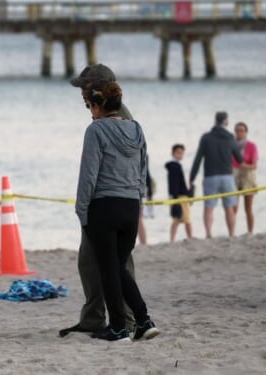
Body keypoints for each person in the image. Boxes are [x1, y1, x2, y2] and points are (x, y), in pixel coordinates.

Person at [75, 80, 159, 342]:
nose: (90, 111)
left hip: (104, 207)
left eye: (90, 105)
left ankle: (120, 327)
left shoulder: (95, 130)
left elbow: (88, 175)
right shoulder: (136, 128)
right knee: (117, 267)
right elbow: (143, 169)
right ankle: (142, 322)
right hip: (130, 206)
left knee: (109, 268)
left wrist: (81, 210)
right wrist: (138, 200)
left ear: (99, 106)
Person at [60, 64, 136, 338]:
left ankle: (126, 320)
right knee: (89, 262)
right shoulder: (102, 115)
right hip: (108, 202)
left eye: (84, 87)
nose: (80, 92)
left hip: (107, 204)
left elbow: (97, 169)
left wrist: (83, 207)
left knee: (119, 263)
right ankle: (93, 317)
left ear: (98, 89)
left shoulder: (115, 120)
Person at [189, 111, 243, 238]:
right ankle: (231, 234)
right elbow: (239, 159)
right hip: (227, 176)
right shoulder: (230, 137)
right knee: (229, 207)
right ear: (226, 122)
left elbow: (198, 159)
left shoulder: (206, 137)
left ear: (215, 121)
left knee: (209, 207)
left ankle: (208, 234)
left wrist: (192, 178)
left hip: (210, 176)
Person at [232, 122, 258, 234]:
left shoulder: (251, 146)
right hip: (234, 175)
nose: (239, 133)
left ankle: (250, 232)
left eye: (242, 130)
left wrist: (244, 165)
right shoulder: (231, 145)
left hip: (247, 175)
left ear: (246, 132)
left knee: (248, 208)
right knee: (233, 207)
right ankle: (232, 232)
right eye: (237, 130)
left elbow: (254, 165)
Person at [165, 144, 193, 242]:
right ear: (173, 153)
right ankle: (190, 237)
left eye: (181, 153)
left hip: (176, 195)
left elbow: (175, 183)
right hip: (179, 196)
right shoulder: (175, 166)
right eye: (178, 153)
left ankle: (172, 240)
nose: (180, 155)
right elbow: (175, 183)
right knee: (186, 219)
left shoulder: (174, 166)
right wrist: (177, 196)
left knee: (176, 219)